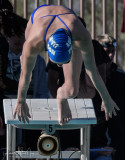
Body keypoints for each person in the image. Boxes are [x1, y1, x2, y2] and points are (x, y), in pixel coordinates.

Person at [13, 4, 119, 126]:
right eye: (58, 63)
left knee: (72, 90)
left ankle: (61, 97)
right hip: (39, 18)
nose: (59, 67)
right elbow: (25, 75)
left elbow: (92, 70)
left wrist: (106, 98)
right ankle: (26, 60)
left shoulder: (81, 36)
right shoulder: (33, 42)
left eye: (65, 61)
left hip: (69, 24)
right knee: (25, 64)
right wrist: (21, 100)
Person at [96, 34, 125, 160]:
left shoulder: (120, 77)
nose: (111, 56)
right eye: (107, 52)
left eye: (113, 52)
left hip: (116, 130)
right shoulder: (87, 77)